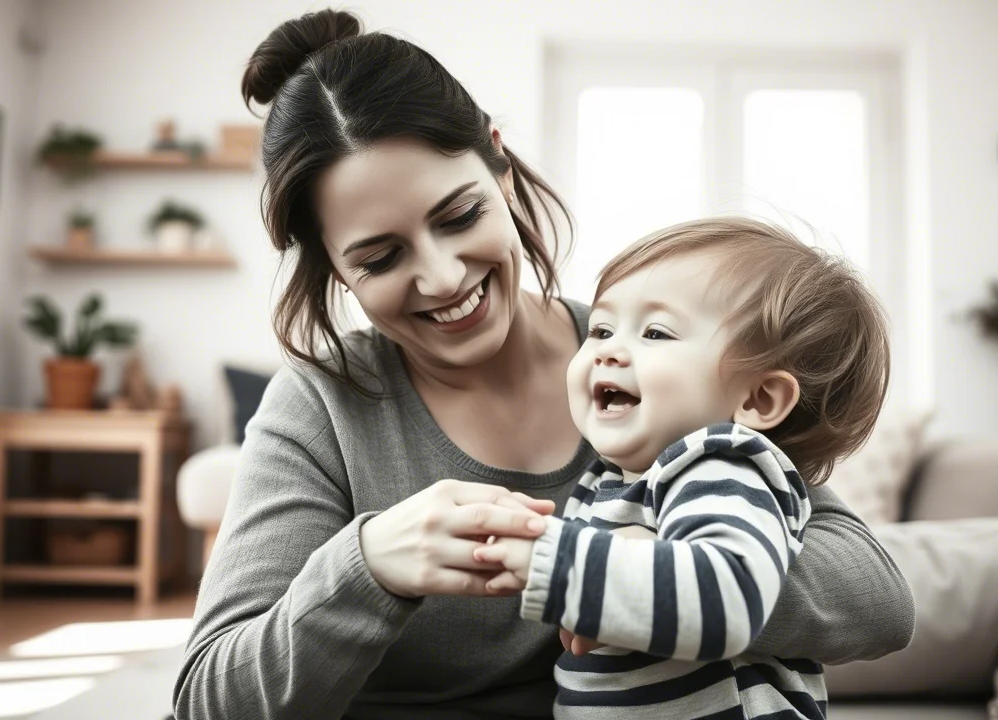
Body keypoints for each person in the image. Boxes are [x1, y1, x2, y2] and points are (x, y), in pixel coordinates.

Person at [173, 10, 913, 720]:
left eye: (459, 216)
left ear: (499, 161)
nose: (441, 277)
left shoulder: (648, 367)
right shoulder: (322, 406)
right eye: (381, 257)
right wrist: (367, 566)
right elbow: (210, 700)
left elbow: (876, 597)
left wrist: (640, 574)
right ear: (335, 268)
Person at [473, 217, 890, 718]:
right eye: (601, 329)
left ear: (758, 398)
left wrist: (557, 560)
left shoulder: (720, 464)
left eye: (655, 332)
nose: (607, 351)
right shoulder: (607, 480)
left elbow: (730, 599)